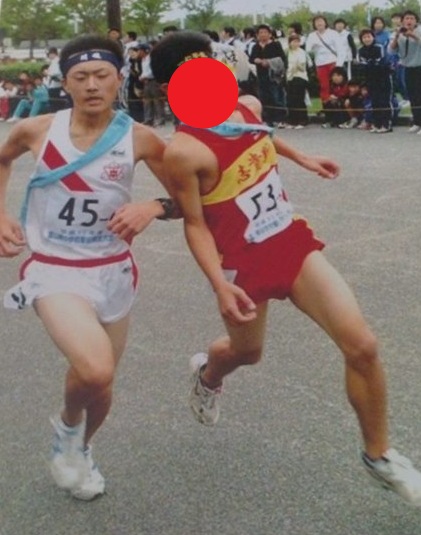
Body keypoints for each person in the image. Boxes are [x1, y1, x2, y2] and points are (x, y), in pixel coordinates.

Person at [147, 30, 421, 506]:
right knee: (246, 353)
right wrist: (219, 286)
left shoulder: (246, 106)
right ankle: (208, 375)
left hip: (289, 242)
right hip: (241, 265)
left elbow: (263, 138)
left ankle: (378, 456)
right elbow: (194, 223)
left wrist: (304, 157)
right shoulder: (184, 151)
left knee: (362, 345)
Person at [0, 34, 176, 501]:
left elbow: (190, 198)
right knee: (95, 370)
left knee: (100, 384)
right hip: (54, 269)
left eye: (102, 75)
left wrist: (153, 207)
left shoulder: (140, 138)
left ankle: (79, 446)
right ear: (66, 82)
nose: (92, 85)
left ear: (120, 79)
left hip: (112, 270)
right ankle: (66, 429)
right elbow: (2, 159)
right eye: (81, 77)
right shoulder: (36, 129)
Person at [388, 10, 421, 134]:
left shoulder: (419, 31)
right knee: (412, 96)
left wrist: (413, 36)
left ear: (416, 21)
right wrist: (397, 36)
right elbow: (391, 51)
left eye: (412, 18)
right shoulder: (399, 33)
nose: (409, 21)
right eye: (407, 18)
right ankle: (417, 122)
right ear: (402, 21)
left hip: (419, 66)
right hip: (407, 68)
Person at [249, 24, 288, 128]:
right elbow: (251, 59)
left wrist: (269, 62)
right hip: (261, 76)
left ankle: (280, 119)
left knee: (276, 97)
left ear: (270, 34)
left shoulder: (275, 45)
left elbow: (282, 59)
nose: (263, 34)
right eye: (260, 33)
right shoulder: (256, 46)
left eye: (265, 32)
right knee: (264, 98)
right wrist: (256, 60)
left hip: (274, 76)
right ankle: (267, 119)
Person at [358, 28, 394, 134]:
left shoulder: (380, 47)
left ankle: (386, 124)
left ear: (373, 37)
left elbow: (382, 62)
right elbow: (362, 66)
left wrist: (372, 65)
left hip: (383, 78)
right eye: (364, 37)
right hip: (371, 79)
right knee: (375, 102)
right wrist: (371, 65)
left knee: (384, 101)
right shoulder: (360, 51)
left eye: (369, 36)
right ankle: (377, 124)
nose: (367, 39)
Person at [306, 16, 345, 103]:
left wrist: (339, 65)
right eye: (316, 22)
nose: (319, 23)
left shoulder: (333, 33)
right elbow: (307, 51)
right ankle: (326, 104)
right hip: (320, 64)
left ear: (325, 22)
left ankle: (338, 103)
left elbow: (340, 49)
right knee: (324, 86)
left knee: (336, 84)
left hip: (333, 62)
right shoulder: (312, 36)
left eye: (321, 21)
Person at [285, 33, 309, 128]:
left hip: (300, 76)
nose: (296, 44)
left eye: (297, 41)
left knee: (299, 99)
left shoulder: (302, 52)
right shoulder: (287, 52)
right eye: (293, 41)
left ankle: (302, 120)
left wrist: (294, 66)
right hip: (289, 77)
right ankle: (292, 120)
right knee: (290, 100)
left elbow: (302, 65)